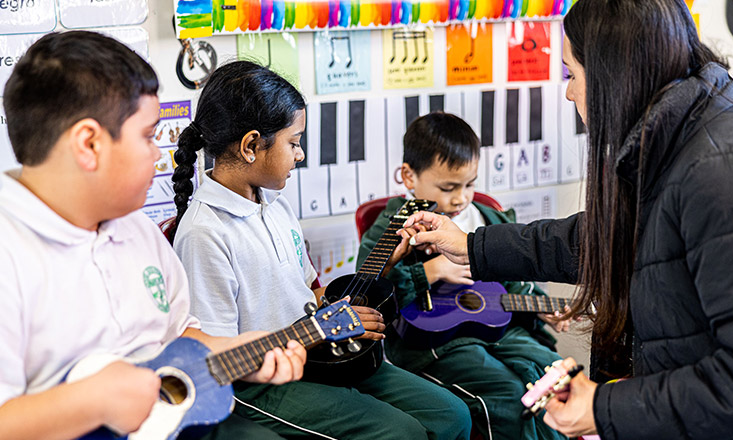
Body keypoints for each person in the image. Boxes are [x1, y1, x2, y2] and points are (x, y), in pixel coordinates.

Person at [398, 0, 733, 439]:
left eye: (572, 75)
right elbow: (609, 237)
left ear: (613, 76)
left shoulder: (728, 173)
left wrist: (605, 407)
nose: (569, 92)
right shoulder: (683, 139)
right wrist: (472, 246)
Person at [0, 31, 306, 440]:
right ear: (89, 143)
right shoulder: (10, 252)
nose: (159, 154)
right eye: (147, 136)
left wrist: (239, 352)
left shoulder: (136, 229)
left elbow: (180, 336)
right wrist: (91, 402)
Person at [171, 60, 472, 440]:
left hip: (321, 349)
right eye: (293, 143)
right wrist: (317, 332)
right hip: (262, 380)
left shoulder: (276, 204)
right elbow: (221, 356)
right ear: (250, 146)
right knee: (399, 433)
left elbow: (309, 293)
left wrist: (342, 307)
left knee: (452, 415)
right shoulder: (204, 233)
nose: (299, 155)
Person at [357, 112, 567, 440]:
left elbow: (511, 279)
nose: (461, 198)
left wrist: (540, 306)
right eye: (448, 187)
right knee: (507, 396)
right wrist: (428, 271)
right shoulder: (392, 226)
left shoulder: (486, 217)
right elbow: (364, 292)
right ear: (409, 177)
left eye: (470, 184)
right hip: (434, 344)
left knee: (554, 376)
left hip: (500, 330)